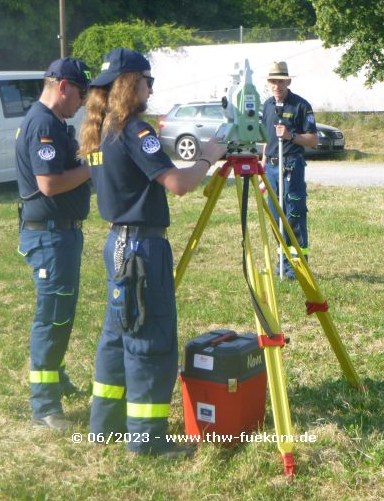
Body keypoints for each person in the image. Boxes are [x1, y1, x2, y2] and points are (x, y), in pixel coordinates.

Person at [78, 47, 226, 458]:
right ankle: (147, 441)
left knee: (117, 336)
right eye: (149, 81)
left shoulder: (99, 130)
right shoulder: (134, 130)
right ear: (131, 83)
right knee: (150, 339)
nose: (150, 89)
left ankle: (104, 425)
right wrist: (208, 157)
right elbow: (177, 183)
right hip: (142, 247)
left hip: (117, 244)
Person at [15, 57, 92, 431]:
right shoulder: (43, 123)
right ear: (63, 86)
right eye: (79, 93)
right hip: (49, 235)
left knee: (62, 312)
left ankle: (55, 379)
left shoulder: (56, 122)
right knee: (52, 316)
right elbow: (48, 183)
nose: (81, 102)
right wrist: (92, 167)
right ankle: (45, 409)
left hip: (61, 232)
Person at [261, 61, 318, 279]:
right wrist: (263, 163)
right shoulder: (267, 106)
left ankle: (297, 268)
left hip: (292, 166)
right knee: (276, 217)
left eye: (281, 81)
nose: (277, 85)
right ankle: (282, 264)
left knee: (293, 215)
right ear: (269, 83)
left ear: (288, 81)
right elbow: (267, 139)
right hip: (272, 169)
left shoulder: (301, 106)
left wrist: (291, 136)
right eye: (273, 81)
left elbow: (313, 140)